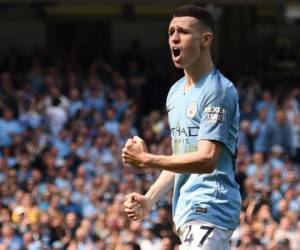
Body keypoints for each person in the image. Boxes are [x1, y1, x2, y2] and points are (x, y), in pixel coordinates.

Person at [122, 4, 241, 250]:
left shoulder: (218, 90)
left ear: (206, 40)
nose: (174, 38)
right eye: (170, 31)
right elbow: (182, 158)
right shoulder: (175, 93)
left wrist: (146, 159)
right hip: (187, 210)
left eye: (183, 32)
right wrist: (150, 199)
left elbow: (206, 159)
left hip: (211, 205)